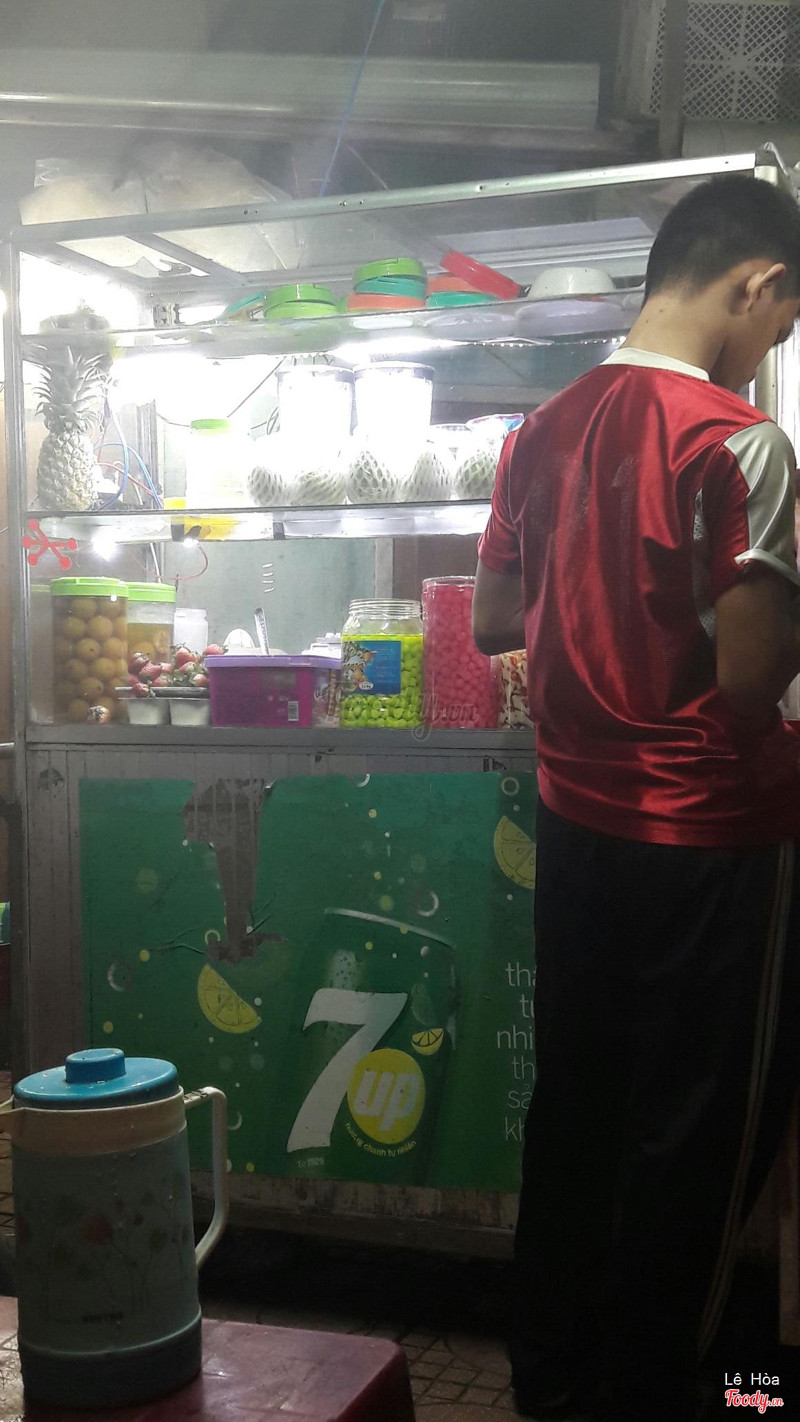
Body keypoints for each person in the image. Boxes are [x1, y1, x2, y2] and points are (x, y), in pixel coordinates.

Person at [472, 173, 800, 1422]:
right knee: (695, 1132)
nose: (769, 348)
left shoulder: (538, 430)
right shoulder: (736, 441)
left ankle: (552, 1382)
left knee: (579, 1106)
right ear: (757, 283)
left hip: (576, 824)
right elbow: (751, 677)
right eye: (780, 323)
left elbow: (494, 618)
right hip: (711, 836)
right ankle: (653, 1396)